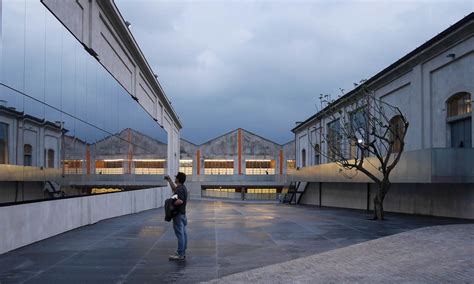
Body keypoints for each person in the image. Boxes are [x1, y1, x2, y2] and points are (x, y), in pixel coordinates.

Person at [164, 172, 188, 261]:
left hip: (178, 215)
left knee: (180, 235)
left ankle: (180, 254)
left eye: (176, 177)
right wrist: (169, 180)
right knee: (183, 234)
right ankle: (182, 252)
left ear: (178, 179)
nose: (175, 178)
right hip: (182, 214)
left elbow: (180, 201)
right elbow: (174, 189)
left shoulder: (180, 189)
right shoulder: (181, 188)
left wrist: (172, 204)